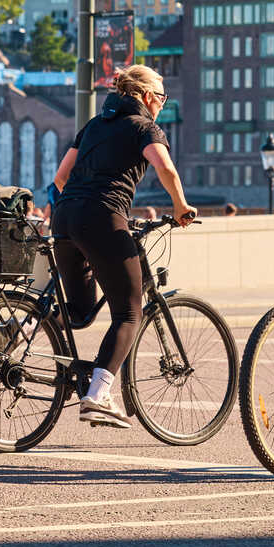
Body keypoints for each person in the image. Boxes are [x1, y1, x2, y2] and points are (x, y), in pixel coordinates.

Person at [49, 65, 196, 428]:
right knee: (130, 312)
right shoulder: (144, 126)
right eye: (161, 97)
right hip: (101, 217)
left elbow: (61, 176)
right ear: (147, 96)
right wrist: (180, 207)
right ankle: (97, 396)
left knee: (79, 312)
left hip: (65, 218)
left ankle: (23, 323)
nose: (162, 104)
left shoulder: (94, 125)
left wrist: (84, 208)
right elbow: (166, 168)